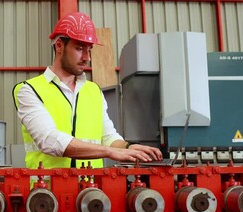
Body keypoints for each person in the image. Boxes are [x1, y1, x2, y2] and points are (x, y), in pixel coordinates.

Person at [13, 12, 162, 169]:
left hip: (91, 189)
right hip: (47, 190)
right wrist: (110, 152)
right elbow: (50, 141)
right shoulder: (29, 90)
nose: (87, 57)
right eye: (79, 48)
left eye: (89, 49)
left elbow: (108, 136)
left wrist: (127, 147)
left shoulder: (93, 91)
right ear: (59, 46)